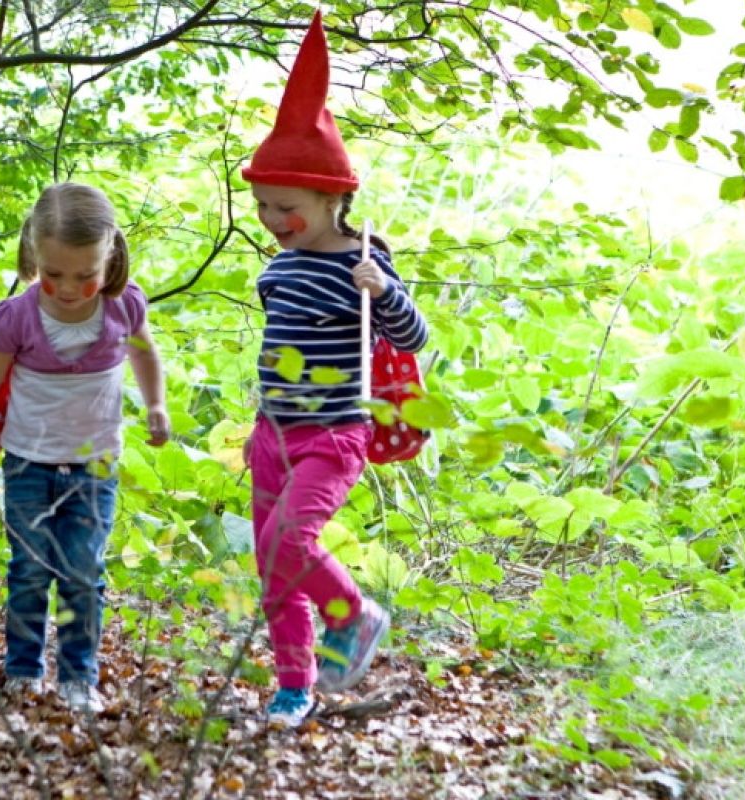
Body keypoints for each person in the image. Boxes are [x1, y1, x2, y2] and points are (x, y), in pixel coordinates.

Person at [239, 11, 429, 728]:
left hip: (333, 434)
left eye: (284, 206)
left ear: (329, 200)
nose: (270, 218)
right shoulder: (281, 265)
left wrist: (384, 292)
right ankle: (294, 686)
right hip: (273, 431)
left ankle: (353, 615)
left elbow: (410, 335)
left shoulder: (363, 263)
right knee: (271, 567)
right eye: (261, 205)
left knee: (292, 542)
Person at [0, 182, 170, 714]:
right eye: (53, 274)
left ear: (110, 254)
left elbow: (146, 357)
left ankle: (77, 678)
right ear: (33, 256)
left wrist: (156, 405)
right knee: (28, 569)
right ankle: (23, 669)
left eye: (84, 275)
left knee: (83, 572)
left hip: (96, 465)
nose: (68, 288)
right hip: (28, 462)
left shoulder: (122, 309)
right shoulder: (17, 318)